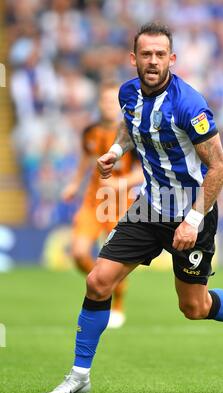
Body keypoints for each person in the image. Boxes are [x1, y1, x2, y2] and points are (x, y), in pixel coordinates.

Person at [44, 22, 223, 393]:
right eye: (146, 54)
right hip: (148, 208)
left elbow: (220, 168)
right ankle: (80, 374)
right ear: (134, 59)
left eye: (160, 55)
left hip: (191, 214)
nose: (153, 61)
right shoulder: (128, 93)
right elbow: (131, 127)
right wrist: (116, 151)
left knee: (193, 307)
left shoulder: (189, 104)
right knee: (98, 281)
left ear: (172, 59)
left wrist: (193, 220)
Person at [61, 81, 143, 328]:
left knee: (115, 263)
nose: (108, 105)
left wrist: (123, 183)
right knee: (77, 253)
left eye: (112, 102)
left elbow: (143, 171)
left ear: (119, 106)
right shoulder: (90, 132)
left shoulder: (133, 134)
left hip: (120, 203)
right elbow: (86, 159)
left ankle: (117, 303)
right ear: (99, 104)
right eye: (105, 101)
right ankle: (105, 285)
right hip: (92, 202)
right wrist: (74, 183)